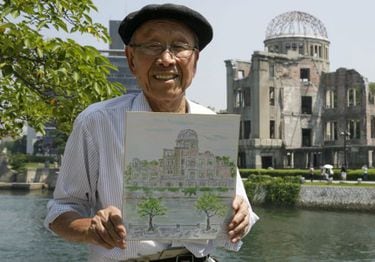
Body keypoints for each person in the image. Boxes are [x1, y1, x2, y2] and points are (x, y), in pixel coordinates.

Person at [44, 4, 258, 262]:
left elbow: (240, 207)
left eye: (179, 47)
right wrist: (91, 228)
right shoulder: (97, 122)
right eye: (152, 46)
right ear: (131, 59)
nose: (166, 59)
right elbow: (60, 211)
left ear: (195, 60)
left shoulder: (212, 124)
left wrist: (241, 219)